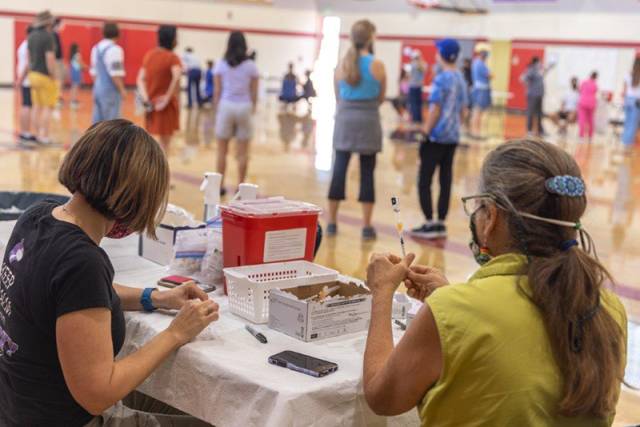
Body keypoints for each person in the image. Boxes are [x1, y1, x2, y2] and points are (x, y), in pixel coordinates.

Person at [363, 138, 627, 426]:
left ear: (491, 217)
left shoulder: (454, 311)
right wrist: (452, 304)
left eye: (477, 208)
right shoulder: (608, 309)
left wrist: (381, 293)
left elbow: (382, 396)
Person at [0, 119, 219, 426]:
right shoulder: (82, 261)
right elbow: (97, 394)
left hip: (17, 409)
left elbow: (69, 296)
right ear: (137, 197)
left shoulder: (36, 217)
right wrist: (176, 333)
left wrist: (156, 297)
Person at [327, 20, 386, 240]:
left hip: (345, 121)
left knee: (339, 170)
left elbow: (338, 97)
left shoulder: (341, 65)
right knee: (367, 172)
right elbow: (380, 98)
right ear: (371, 38)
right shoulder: (377, 65)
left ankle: (332, 222)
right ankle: (366, 225)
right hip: (369, 121)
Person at [410, 39, 467, 240]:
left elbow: (435, 109)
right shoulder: (460, 78)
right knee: (445, 179)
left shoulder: (441, 79)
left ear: (441, 54)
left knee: (424, 180)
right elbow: (463, 111)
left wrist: (425, 131)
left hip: (436, 137)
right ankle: (441, 222)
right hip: (452, 137)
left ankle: (428, 221)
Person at [213, 31, 259, 193]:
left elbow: (217, 91)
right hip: (244, 107)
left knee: (222, 151)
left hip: (226, 106)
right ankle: (241, 186)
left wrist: (216, 110)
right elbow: (254, 92)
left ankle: (220, 185)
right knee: (243, 152)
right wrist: (253, 108)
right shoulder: (251, 66)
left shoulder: (221, 64)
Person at [137, 25, 182, 152]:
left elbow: (140, 79)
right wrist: (167, 97)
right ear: (173, 39)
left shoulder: (149, 55)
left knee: (149, 144)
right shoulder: (173, 58)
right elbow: (177, 75)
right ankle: (161, 172)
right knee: (164, 147)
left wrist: (146, 99)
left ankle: (149, 171)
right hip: (166, 108)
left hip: (151, 106)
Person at [27, 10, 59, 145]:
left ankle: (35, 134)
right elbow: (50, 58)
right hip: (44, 75)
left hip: (33, 74)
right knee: (48, 107)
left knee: (36, 106)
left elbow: (29, 57)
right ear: (49, 22)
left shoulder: (31, 35)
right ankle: (44, 136)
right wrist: (53, 75)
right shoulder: (48, 36)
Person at [90, 22, 126, 123]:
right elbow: (115, 74)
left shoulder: (95, 48)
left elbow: (93, 72)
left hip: (97, 88)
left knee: (97, 125)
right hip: (110, 91)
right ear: (117, 33)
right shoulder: (115, 50)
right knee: (112, 125)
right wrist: (122, 90)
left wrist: (98, 87)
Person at [520, 56, 553, 137]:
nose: (540, 63)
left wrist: (550, 66)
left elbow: (544, 72)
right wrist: (529, 87)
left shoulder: (538, 71)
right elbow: (523, 78)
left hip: (539, 95)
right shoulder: (531, 70)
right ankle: (529, 130)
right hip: (532, 96)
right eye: (539, 62)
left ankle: (540, 130)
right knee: (530, 112)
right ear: (535, 62)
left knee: (539, 113)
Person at [16, 25, 35, 143]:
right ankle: (26, 132)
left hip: (24, 79)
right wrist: (21, 79)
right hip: (27, 80)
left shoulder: (23, 44)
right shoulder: (29, 46)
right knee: (27, 106)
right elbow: (28, 64)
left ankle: (24, 131)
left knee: (24, 105)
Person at [470, 43, 492, 139]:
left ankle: (476, 131)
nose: (487, 54)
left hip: (481, 89)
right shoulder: (479, 63)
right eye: (486, 52)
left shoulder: (479, 63)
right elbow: (489, 75)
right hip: (481, 90)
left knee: (478, 111)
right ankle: (475, 132)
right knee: (477, 111)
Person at [622, 57, 640, 153]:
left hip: (627, 100)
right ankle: (628, 146)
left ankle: (625, 143)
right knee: (633, 124)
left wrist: (624, 101)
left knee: (627, 123)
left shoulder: (628, 75)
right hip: (636, 102)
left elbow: (624, 90)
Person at [578, 71, 598, 143]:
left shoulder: (584, 82)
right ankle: (590, 137)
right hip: (591, 103)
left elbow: (580, 90)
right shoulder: (595, 85)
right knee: (591, 121)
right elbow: (595, 92)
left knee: (582, 120)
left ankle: (581, 137)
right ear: (596, 77)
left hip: (582, 102)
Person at [407, 51, 425, 123]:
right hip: (419, 86)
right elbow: (424, 70)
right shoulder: (422, 65)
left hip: (413, 86)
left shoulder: (412, 65)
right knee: (419, 103)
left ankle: (415, 119)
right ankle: (419, 119)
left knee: (413, 103)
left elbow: (409, 75)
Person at [69, 43, 86, 109]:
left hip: (73, 71)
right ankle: (73, 102)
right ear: (76, 48)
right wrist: (87, 67)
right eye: (78, 47)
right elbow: (80, 63)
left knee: (74, 86)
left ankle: (73, 101)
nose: (80, 48)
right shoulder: (77, 55)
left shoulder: (72, 55)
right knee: (75, 87)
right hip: (76, 71)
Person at [52, 17, 64, 106]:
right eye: (62, 24)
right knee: (57, 80)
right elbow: (54, 50)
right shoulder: (53, 34)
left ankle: (57, 98)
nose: (63, 26)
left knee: (59, 80)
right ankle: (56, 99)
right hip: (56, 61)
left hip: (58, 60)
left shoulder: (56, 34)